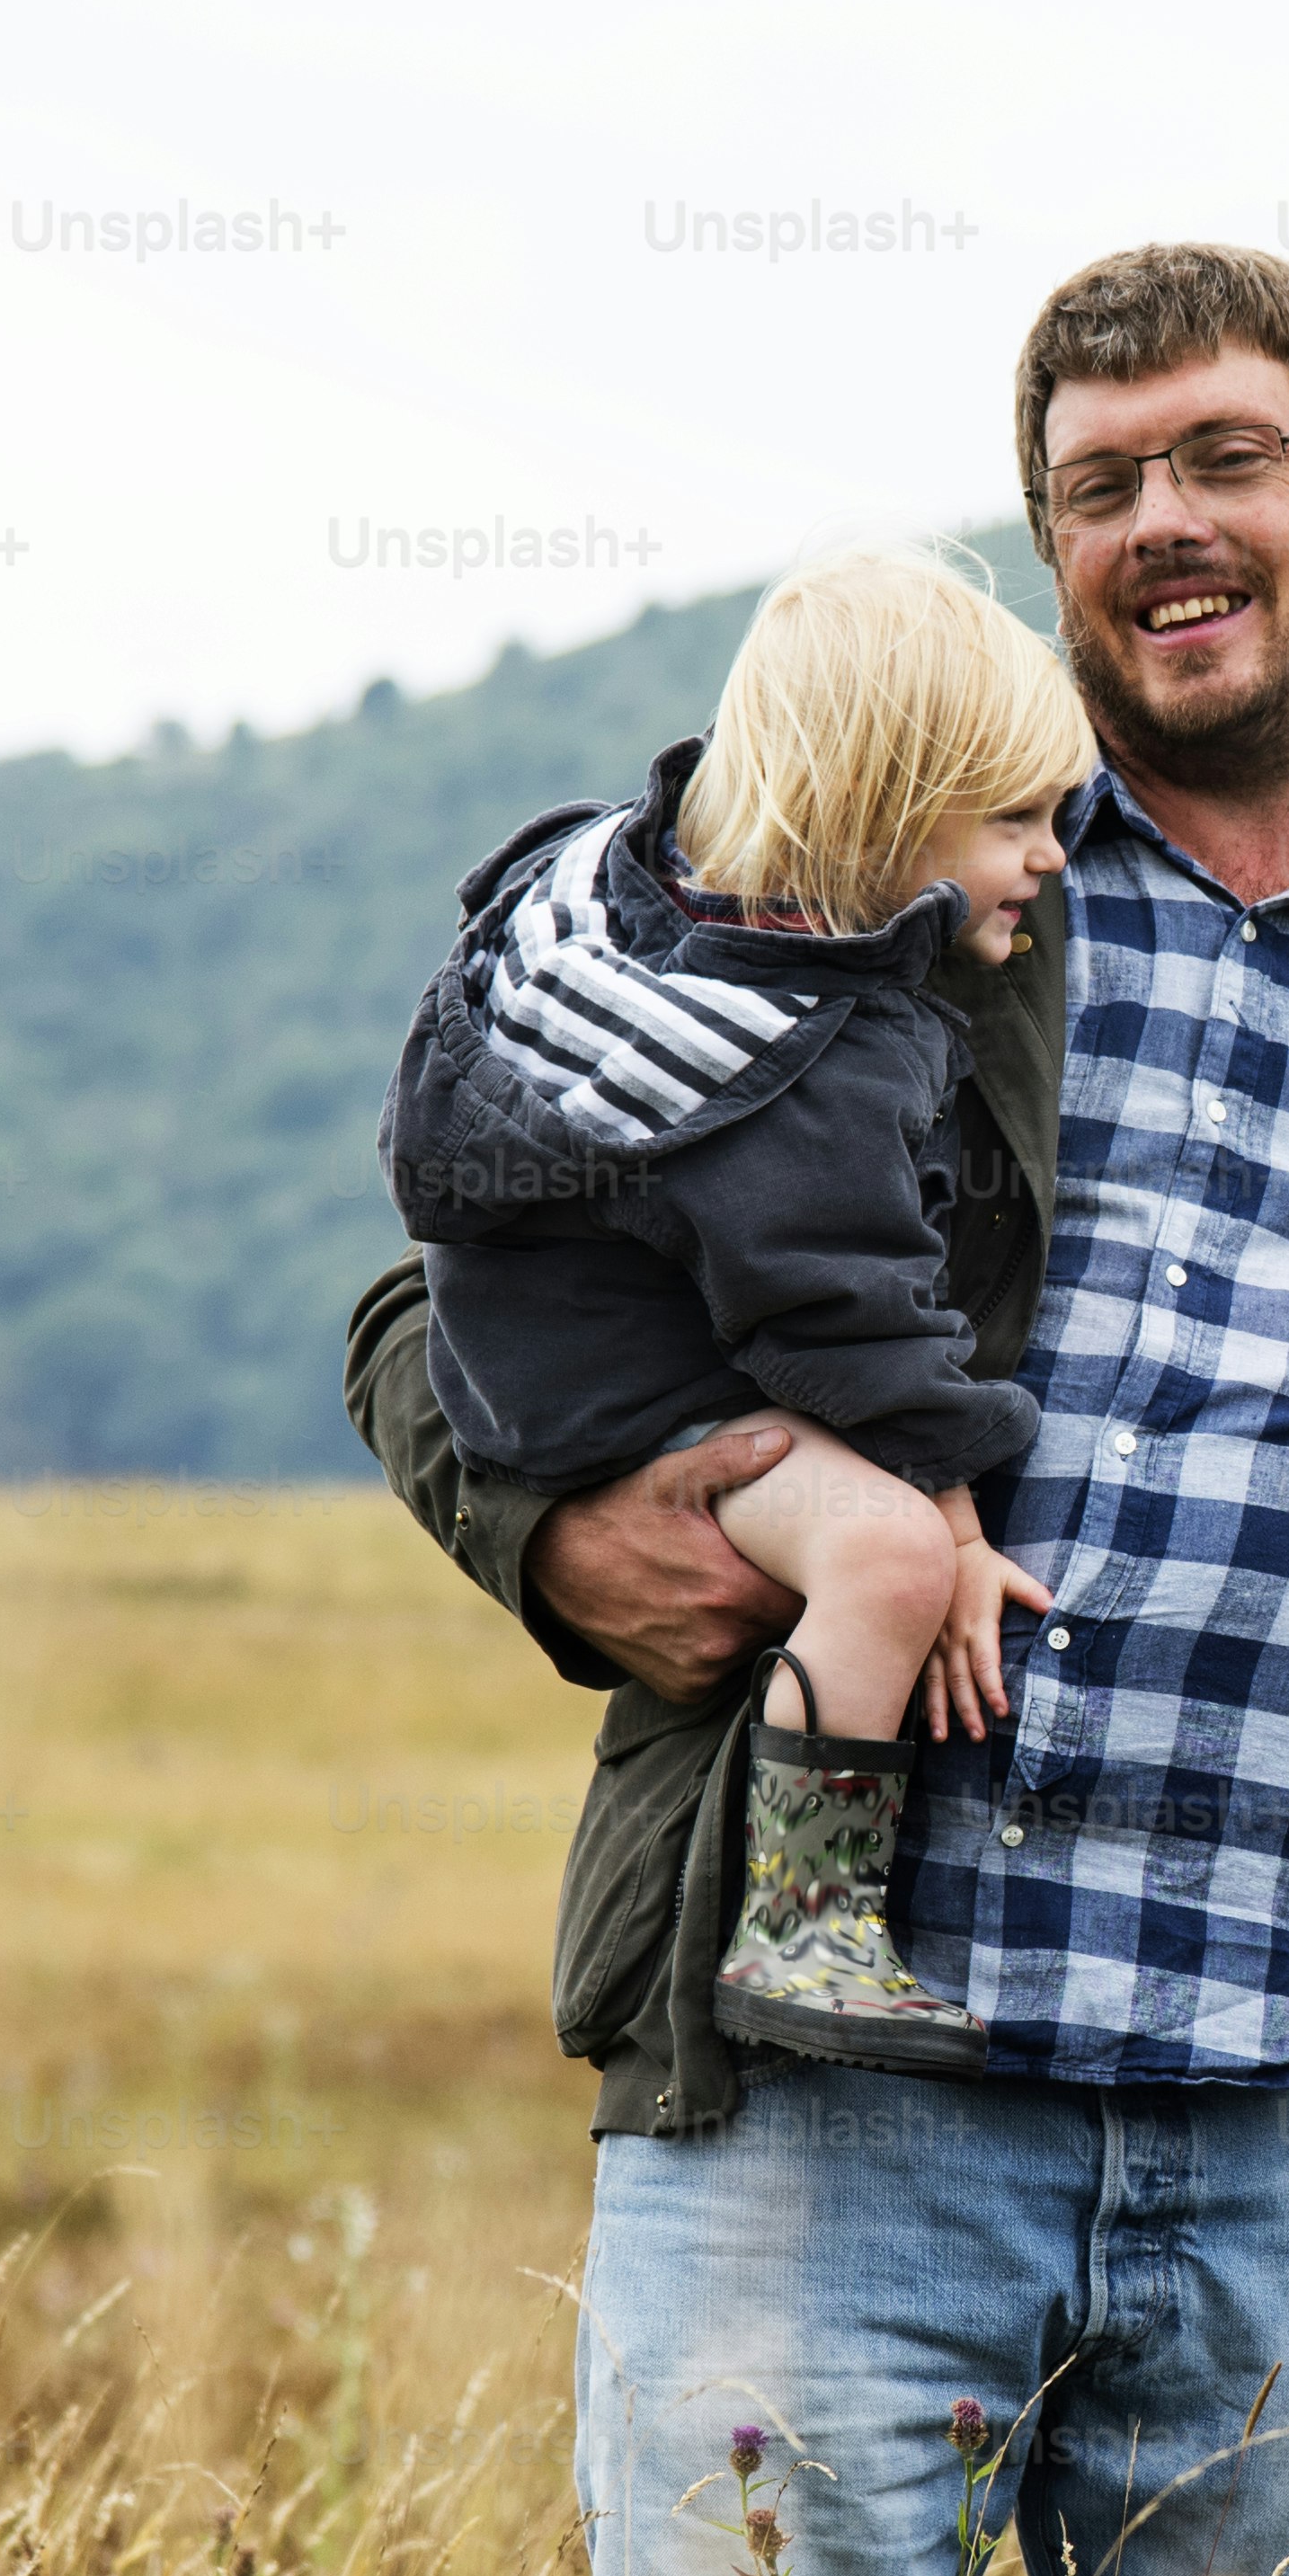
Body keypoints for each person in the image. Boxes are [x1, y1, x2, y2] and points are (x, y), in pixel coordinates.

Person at [335, 246, 1289, 2576]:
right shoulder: (874, 882)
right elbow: (447, 1287)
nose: (1157, 523)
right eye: (1094, 485)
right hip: (839, 2108)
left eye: (1224, 460)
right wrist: (560, 1527)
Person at [378, 542, 1081, 2068]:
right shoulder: (812, 1063)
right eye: (1019, 820)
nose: (1053, 859)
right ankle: (806, 1928)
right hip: (639, 1404)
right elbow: (851, 1328)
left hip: (527, 1363)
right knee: (884, 1557)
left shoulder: (610, 906)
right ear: (896, 821)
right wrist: (954, 1521)